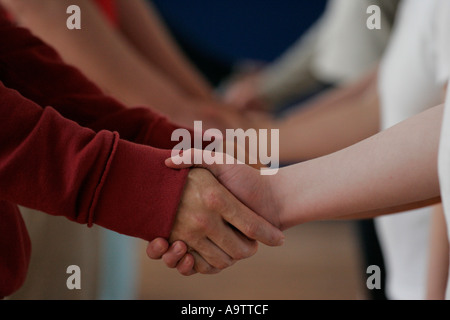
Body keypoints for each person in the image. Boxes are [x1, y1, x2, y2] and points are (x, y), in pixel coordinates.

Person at [148, 0, 450, 299]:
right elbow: (380, 97)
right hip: (408, 268)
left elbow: (430, 137)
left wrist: (253, 153)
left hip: (423, 269)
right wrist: (256, 139)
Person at [0, 7, 285, 299]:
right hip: (53, 171)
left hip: (76, 156)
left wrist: (176, 141)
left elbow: (15, 60)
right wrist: (149, 189)